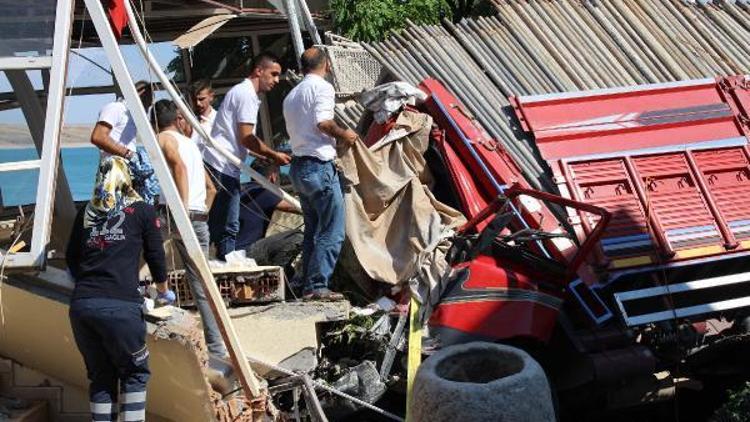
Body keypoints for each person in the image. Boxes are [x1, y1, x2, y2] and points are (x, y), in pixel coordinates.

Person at [66, 156, 174, 422]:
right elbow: (155, 255)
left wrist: (92, 282)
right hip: (121, 309)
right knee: (135, 374)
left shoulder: (86, 213)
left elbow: (71, 258)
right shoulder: (142, 210)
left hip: (82, 308)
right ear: (128, 178)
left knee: (101, 377)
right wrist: (163, 291)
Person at [149, 99, 228, 358]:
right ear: (177, 119)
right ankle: (217, 348)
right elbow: (211, 188)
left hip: (175, 214)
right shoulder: (191, 145)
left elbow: (178, 167)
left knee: (138, 255)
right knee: (202, 286)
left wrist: (179, 211)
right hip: (199, 218)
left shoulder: (163, 139)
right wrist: (199, 211)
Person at [283, 47, 358, 301]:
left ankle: (306, 283)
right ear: (326, 65)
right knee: (333, 229)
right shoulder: (323, 88)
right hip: (318, 166)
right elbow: (323, 123)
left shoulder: (292, 95)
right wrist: (345, 134)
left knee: (313, 229)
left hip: (299, 168)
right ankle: (317, 285)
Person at [206, 53, 291, 260]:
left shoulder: (241, 92)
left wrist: (270, 157)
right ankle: (227, 264)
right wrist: (273, 154)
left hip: (224, 164)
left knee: (222, 223)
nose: (276, 80)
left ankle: (222, 261)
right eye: (273, 74)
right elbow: (246, 137)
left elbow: (241, 141)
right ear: (258, 71)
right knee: (229, 224)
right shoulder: (247, 95)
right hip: (222, 165)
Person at [90, 80, 159, 204]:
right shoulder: (116, 108)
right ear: (141, 93)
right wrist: (128, 154)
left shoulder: (131, 117)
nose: (147, 110)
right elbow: (98, 136)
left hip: (124, 173)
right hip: (114, 171)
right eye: (147, 104)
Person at [237, 158, 299, 251]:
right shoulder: (262, 192)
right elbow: (297, 207)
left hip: (231, 250)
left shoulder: (242, 190)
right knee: (296, 237)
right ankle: (282, 266)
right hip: (246, 251)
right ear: (273, 176)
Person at [187, 79, 217, 153]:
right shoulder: (189, 122)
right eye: (194, 99)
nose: (198, 103)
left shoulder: (219, 120)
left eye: (201, 99)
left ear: (211, 96)